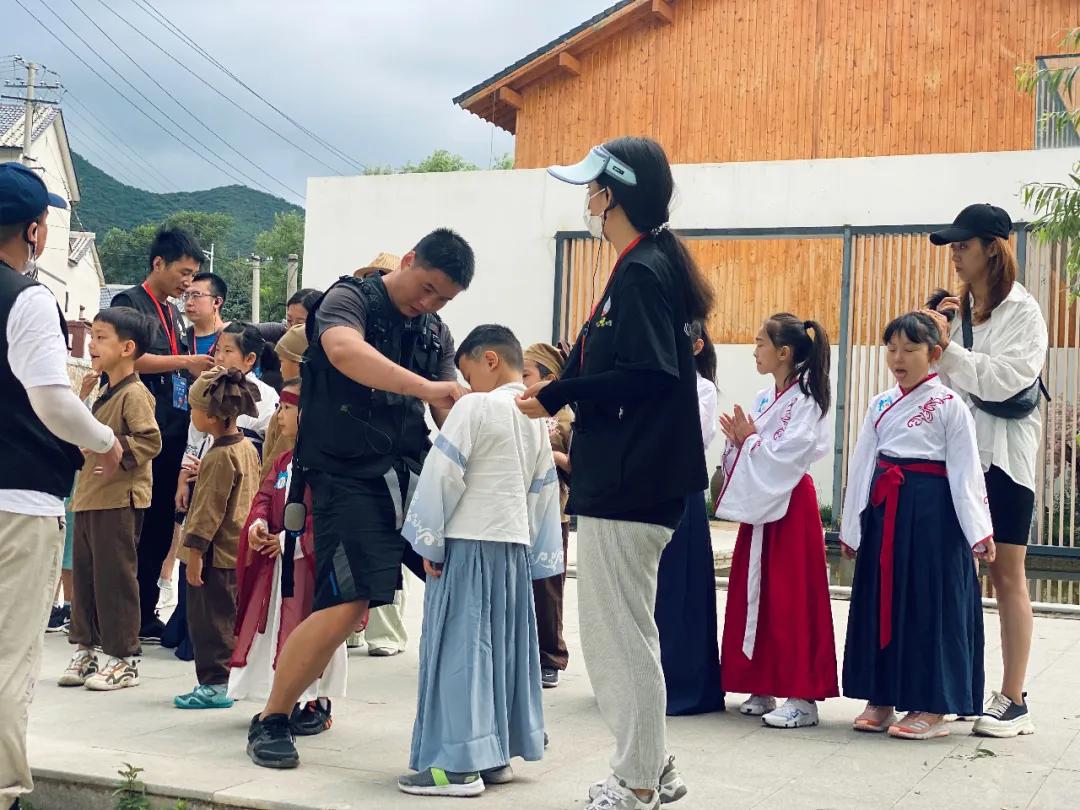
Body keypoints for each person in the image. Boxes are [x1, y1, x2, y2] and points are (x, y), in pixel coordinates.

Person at [518, 139, 711, 810]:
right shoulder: (648, 264)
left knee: (616, 636)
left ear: (615, 196)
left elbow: (648, 372)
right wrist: (562, 386)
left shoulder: (640, 272)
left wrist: (562, 394)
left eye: (593, 188)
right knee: (631, 631)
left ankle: (635, 782)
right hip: (635, 481)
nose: (587, 200)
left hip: (630, 483)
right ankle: (653, 766)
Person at [245, 228, 474, 770]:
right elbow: (345, 352)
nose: (430, 303)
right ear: (410, 260)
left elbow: (447, 409)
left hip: (412, 470)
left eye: (443, 298)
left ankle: (472, 726)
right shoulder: (348, 300)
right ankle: (273, 717)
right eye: (427, 288)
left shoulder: (435, 331)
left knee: (466, 574)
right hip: (344, 474)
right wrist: (426, 389)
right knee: (349, 602)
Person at [0, 160, 122, 810]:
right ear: (37, 231)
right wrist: (104, 440)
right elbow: (51, 399)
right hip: (16, 504)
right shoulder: (24, 297)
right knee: (7, 659)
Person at [398, 325, 563, 798]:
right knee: (503, 649)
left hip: (468, 543)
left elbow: (443, 475)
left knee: (460, 651)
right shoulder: (534, 417)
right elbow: (542, 492)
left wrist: (429, 542)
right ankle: (495, 756)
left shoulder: (475, 406)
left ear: (489, 359)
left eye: (467, 372)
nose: (465, 386)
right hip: (512, 547)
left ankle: (456, 767)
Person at [923, 204, 1047, 738]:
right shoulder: (959, 311)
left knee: (1006, 575)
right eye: (952, 246)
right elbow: (945, 389)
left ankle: (1014, 697)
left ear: (991, 250)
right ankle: (957, 689)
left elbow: (1003, 381)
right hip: (960, 459)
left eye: (962, 245)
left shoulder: (1024, 313)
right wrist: (939, 339)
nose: (954, 254)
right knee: (956, 574)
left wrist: (947, 351)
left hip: (1006, 461)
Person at [841, 311, 995, 740]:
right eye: (892, 348)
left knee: (930, 603)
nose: (898, 357)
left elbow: (966, 471)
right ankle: (882, 695)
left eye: (910, 349)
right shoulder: (879, 403)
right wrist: (853, 526)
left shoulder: (950, 406)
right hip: (885, 509)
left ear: (935, 354)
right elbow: (861, 465)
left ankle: (933, 704)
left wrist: (978, 530)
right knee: (882, 601)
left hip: (934, 516)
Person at [713, 314, 838, 727]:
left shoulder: (807, 398)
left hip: (788, 503)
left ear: (784, 352)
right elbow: (755, 446)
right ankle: (761, 681)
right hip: (761, 506)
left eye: (760, 342)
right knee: (756, 592)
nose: (754, 350)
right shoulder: (767, 398)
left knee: (791, 594)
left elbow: (792, 453)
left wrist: (749, 441)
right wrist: (739, 442)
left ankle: (803, 695)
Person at [229, 379, 356, 735]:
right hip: (280, 564)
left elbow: (332, 516)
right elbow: (266, 496)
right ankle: (281, 698)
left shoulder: (331, 465)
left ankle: (316, 700)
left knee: (314, 629)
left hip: (310, 566)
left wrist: (290, 539)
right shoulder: (285, 459)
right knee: (276, 629)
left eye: (287, 407)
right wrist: (256, 525)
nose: (279, 415)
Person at [112, 228, 214, 643]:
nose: (187, 283)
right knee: (130, 524)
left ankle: (146, 609)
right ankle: (119, 614)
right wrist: (186, 360)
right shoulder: (128, 304)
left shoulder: (173, 313)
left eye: (193, 276)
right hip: (137, 426)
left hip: (170, 427)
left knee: (159, 524)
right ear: (158, 264)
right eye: (183, 272)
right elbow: (129, 358)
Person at [58, 308, 162, 691]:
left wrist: (114, 453)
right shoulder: (102, 387)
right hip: (89, 497)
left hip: (119, 499)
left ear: (127, 347)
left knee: (115, 580)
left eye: (101, 337)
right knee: (85, 577)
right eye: (92, 336)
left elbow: (151, 440)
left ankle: (123, 657)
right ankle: (85, 648)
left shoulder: (135, 393)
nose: (92, 344)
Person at [174, 368, 261, 709]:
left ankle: (215, 682)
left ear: (209, 416)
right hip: (237, 551)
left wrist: (194, 553)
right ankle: (229, 678)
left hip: (213, 555)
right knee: (229, 618)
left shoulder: (219, 456)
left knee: (209, 623)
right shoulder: (246, 448)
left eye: (194, 408)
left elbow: (207, 512)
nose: (191, 414)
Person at [654, 319, 726, 716]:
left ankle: (684, 684)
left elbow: (692, 437)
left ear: (696, 346)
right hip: (648, 491)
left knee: (680, 589)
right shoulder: (655, 382)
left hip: (682, 491)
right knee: (652, 590)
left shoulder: (701, 388)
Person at [522, 342, 574, 689]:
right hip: (517, 511)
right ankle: (521, 653)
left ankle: (551, 656)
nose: (520, 381)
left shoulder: (567, 417)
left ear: (549, 378)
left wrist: (552, 458)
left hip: (552, 514)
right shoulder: (518, 409)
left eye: (526, 374)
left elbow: (580, 466)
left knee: (548, 587)